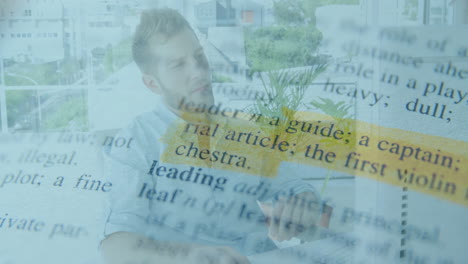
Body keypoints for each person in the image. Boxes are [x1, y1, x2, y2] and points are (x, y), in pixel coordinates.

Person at [100, 8, 321, 264]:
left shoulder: (244, 131)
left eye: (199, 56)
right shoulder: (138, 141)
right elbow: (115, 245)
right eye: (178, 65)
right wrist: (193, 256)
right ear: (152, 84)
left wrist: (302, 204)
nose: (199, 72)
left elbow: (297, 190)